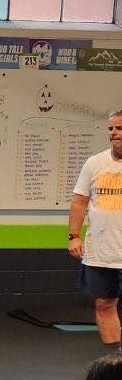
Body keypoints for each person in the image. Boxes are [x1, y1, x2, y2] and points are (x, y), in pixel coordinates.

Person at [68, 110, 122, 359]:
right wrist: (74, 236)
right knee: (104, 304)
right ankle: (114, 364)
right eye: (111, 128)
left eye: (119, 128)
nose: (113, 133)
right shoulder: (95, 163)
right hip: (102, 252)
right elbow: (80, 201)